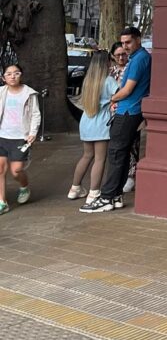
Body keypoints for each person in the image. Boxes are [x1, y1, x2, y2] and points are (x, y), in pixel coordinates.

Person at [80, 26, 151, 213]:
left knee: (115, 154)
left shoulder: (138, 60)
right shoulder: (139, 58)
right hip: (131, 111)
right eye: (123, 43)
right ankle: (117, 195)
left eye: (129, 42)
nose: (125, 47)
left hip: (127, 111)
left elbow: (127, 90)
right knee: (122, 154)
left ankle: (106, 197)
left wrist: (112, 99)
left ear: (138, 39)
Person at [68, 51, 117, 202]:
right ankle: (93, 193)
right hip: (101, 123)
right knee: (100, 159)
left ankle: (74, 188)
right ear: (107, 63)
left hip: (86, 122)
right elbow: (121, 94)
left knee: (87, 156)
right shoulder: (108, 81)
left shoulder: (88, 80)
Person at [0, 64, 41, 214]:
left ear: (21, 75)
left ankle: (24, 186)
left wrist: (33, 132)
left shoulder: (29, 94)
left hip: (20, 137)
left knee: (16, 170)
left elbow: (36, 114)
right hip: (2, 135)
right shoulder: (1, 92)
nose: (12, 76)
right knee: (0, 170)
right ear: (3, 77)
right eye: (9, 74)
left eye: (16, 73)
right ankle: (2, 202)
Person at [110, 41, 139, 194]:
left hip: (128, 110)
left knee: (132, 144)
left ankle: (131, 175)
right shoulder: (110, 72)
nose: (121, 57)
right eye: (117, 55)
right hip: (112, 113)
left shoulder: (132, 68)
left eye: (123, 54)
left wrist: (115, 99)